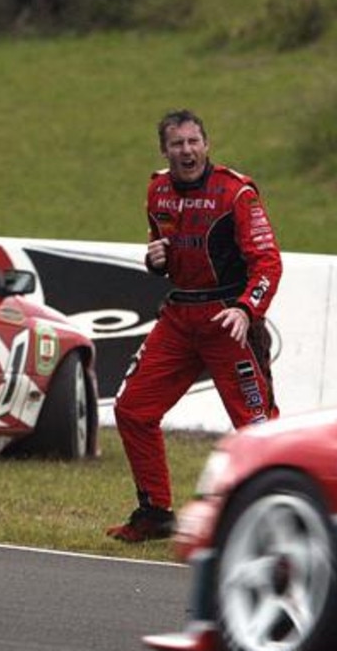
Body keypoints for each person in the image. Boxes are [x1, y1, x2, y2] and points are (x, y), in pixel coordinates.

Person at [106, 109, 283, 543]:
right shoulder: (157, 190)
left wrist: (246, 311)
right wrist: (154, 261)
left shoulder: (236, 193)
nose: (186, 150)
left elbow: (268, 263)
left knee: (258, 428)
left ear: (206, 144)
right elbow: (162, 252)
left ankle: (278, 520)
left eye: (193, 141)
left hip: (228, 321)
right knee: (132, 409)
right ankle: (155, 513)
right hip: (180, 317)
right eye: (177, 144)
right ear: (164, 150)